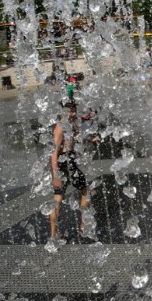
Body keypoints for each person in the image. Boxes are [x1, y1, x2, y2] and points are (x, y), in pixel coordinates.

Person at [50, 103, 91, 240]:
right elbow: (54, 152)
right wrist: (56, 175)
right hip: (64, 163)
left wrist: (89, 139)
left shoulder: (71, 124)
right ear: (63, 111)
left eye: (74, 111)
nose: (73, 114)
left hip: (70, 160)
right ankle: (83, 225)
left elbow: (73, 141)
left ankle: (55, 234)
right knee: (84, 191)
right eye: (70, 111)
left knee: (59, 198)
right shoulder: (60, 127)